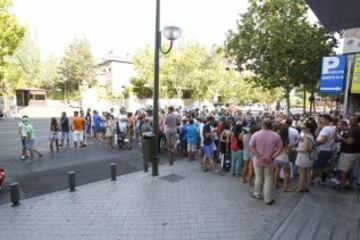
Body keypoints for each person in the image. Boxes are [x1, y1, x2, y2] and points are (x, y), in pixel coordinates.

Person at [249, 118, 282, 205]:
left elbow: (251, 146)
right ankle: (267, 199)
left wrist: (259, 156)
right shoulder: (276, 136)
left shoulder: (256, 134)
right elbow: (280, 149)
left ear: (262, 124)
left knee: (258, 177)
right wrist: (272, 157)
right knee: (268, 178)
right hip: (269, 161)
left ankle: (257, 194)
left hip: (258, 160)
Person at [336, 116, 360, 190]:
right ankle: (349, 185)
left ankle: (341, 186)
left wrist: (341, 138)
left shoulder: (354, 130)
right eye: (351, 119)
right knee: (349, 170)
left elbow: (349, 142)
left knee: (344, 170)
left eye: (353, 120)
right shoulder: (354, 129)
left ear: (357, 121)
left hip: (348, 153)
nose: (351, 121)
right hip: (353, 153)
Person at [312, 114, 336, 186]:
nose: (320, 120)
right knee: (324, 167)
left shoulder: (326, 128)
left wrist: (314, 143)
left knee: (315, 167)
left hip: (321, 150)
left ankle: (310, 180)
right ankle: (322, 181)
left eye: (322, 119)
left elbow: (323, 140)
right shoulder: (331, 128)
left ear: (327, 120)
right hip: (328, 150)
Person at [295, 120, 316, 193]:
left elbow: (305, 149)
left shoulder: (307, 137)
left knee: (302, 173)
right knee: (307, 173)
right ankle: (306, 187)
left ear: (308, 128)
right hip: (309, 157)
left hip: (304, 157)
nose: (302, 129)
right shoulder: (310, 135)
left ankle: (300, 188)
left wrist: (296, 149)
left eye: (304, 128)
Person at [273, 124, 291, 192]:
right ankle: (285, 188)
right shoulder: (287, 139)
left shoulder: (277, 138)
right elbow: (287, 150)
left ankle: (275, 184)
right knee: (287, 173)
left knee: (277, 170)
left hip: (277, 157)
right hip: (284, 157)